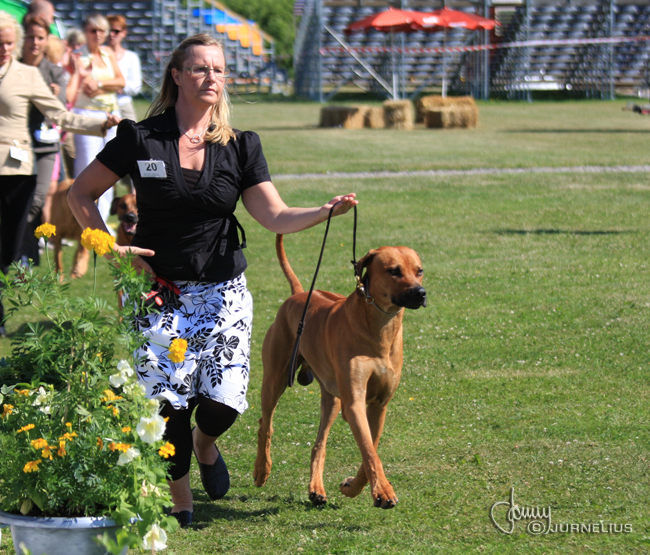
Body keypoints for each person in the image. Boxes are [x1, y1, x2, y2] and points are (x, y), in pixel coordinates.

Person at [68, 33, 357, 527]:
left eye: (219, 70)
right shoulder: (140, 137)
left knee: (223, 404)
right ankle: (180, 498)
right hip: (156, 291)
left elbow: (275, 214)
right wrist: (113, 250)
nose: (211, 78)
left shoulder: (241, 145)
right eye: (200, 69)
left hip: (222, 292)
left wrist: (323, 212)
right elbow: (81, 194)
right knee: (167, 402)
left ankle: (206, 444)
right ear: (177, 76)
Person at [0, 11, 120, 335]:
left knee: (8, 247)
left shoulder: (25, 75)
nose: (4, 49)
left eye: (9, 43)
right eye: (0, 43)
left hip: (15, 170)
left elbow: (59, 115)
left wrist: (99, 123)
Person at [68, 13, 124, 227]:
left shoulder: (108, 53)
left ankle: (101, 219)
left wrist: (99, 84)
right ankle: (84, 220)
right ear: (85, 32)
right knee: (87, 167)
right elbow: (76, 89)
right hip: (87, 115)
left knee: (111, 167)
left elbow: (121, 80)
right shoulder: (78, 56)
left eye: (102, 30)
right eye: (93, 30)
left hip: (111, 114)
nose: (98, 35)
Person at [19, 13, 67, 265]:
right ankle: (22, 253)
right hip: (15, 143)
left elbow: (61, 112)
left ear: (47, 40)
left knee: (36, 199)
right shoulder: (10, 66)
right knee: (17, 199)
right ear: (22, 38)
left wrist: (54, 97)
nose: (35, 43)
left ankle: (23, 252)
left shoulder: (55, 72)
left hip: (46, 143)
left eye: (40, 38)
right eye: (30, 37)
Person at [107, 14, 142, 122]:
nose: (112, 34)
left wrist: (118, 86)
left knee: (132, 136)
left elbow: (136, 86)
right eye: (108, 30)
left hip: (123, 104)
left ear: (124, 33)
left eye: (116, 31)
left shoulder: (131, 57)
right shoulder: (97, 54)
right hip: (102, 105)